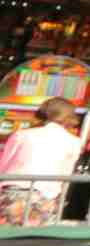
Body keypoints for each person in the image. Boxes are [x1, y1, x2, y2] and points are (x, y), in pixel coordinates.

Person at [0, 97, 82, 227]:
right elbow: (66, 174)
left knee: (8, 233)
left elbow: (3, 165)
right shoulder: (75, 142)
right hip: (46, 196)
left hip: (13, 192)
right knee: (37, 235)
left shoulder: (21, 134)